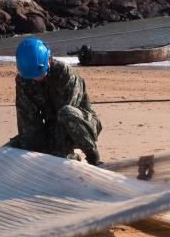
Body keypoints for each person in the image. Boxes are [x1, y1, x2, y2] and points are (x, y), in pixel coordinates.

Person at [6, 37, 103, 165]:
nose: (36, 79)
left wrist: (58, 153)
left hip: (80, 125)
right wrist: (30, 150)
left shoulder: (65, 73)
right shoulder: (24, 79)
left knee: (66, 112)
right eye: (32, 76)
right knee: (9, 150)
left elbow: (64, 119)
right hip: (50, 127)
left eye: (39, 74)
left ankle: (93, 157)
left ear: (49, 60)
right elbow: (27, 120)